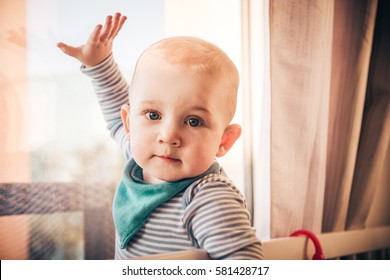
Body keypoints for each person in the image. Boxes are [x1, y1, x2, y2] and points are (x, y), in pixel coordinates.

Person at [58, 13, 263, 260]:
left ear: (224, 141)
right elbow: (116, 111)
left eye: (193, 121)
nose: (168, 136)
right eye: (153, 115)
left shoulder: (208, 197)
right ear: (129, 123)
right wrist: (100, 64)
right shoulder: (139, 156)